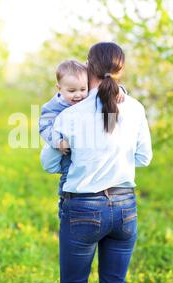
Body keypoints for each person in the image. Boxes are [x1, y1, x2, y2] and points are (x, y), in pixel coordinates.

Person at [40, 42, 153, 283]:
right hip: (125, 207)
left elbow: (49, 164)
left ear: (89, 67)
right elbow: (144, 158)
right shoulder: (134, 108)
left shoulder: (69, 115)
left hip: (83, 207)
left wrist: (79, 160)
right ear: (119, 72)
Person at [39, 59, 126, 196]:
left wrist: (119, 89)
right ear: (59, 88)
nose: (78, 95)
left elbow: (105, 89)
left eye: (83, 89)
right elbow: (44, 127)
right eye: (72, 91)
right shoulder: (53, 107)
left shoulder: (86, 97)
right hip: (64, 146)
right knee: (52, 161)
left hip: (85, 147)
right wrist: (57, 141)